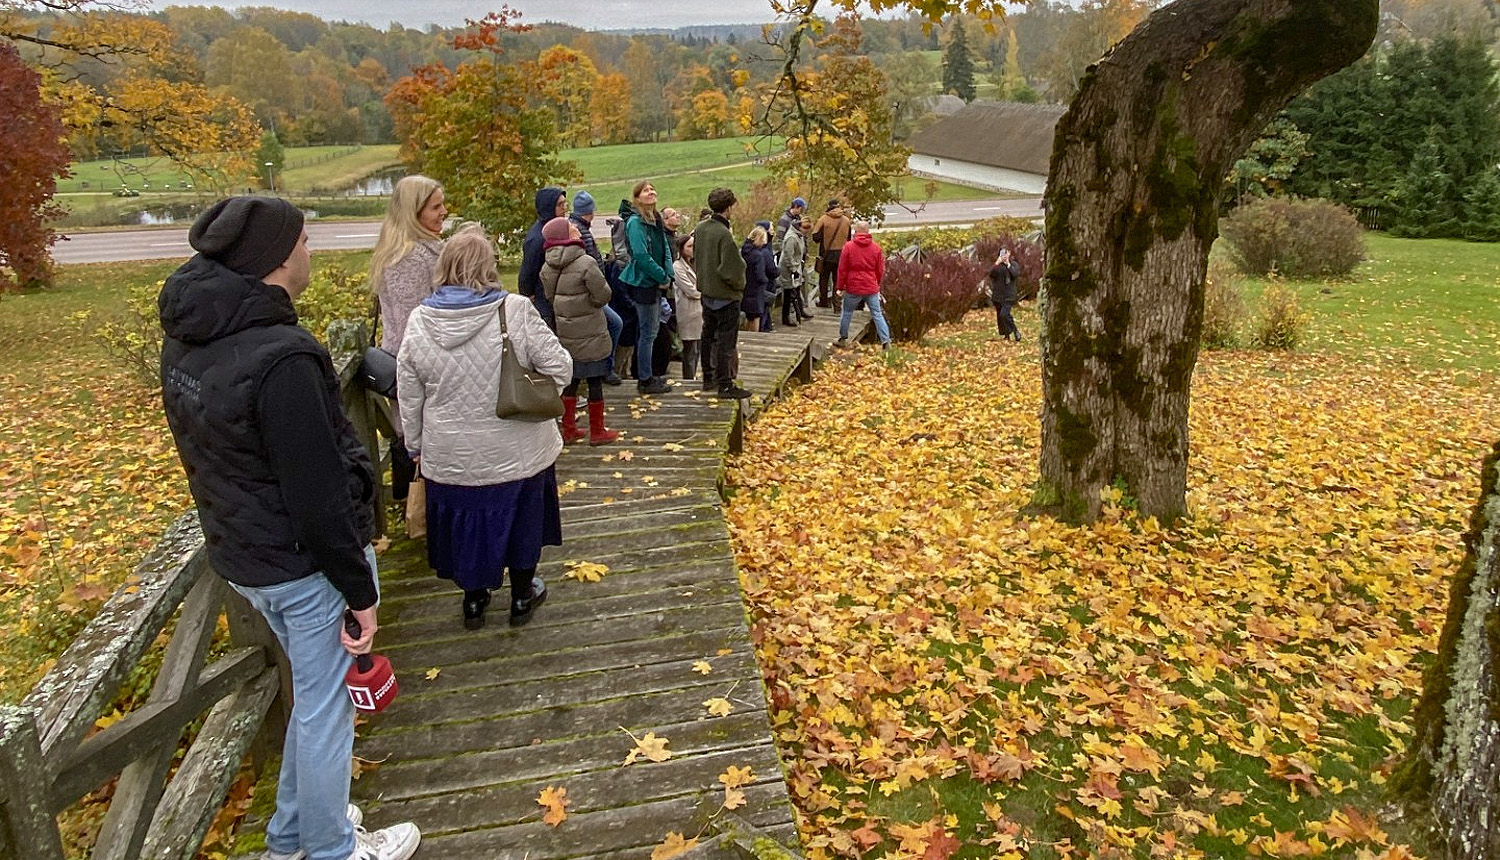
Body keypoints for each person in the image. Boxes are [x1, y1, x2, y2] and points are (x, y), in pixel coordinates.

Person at [159, 196, 421, 860]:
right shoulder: (282, 359)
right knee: (328, 710)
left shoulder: (193, 338)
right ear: (278, 258)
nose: (312, 251)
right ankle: (333, 849)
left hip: (248, 560)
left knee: (312, 699)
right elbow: (317, 495)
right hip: (304, 568)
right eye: (305, 240)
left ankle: (291, 838)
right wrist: (359, 590)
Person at [397, 226, 571, 630]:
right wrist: (539, 394)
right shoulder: (515, 310)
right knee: (523, 521)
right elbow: (560, 365)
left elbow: (409, 393)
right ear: (488, 266)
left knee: (467, 527)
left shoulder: (420, 320)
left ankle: (474, 601)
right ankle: (522, 596)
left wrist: (416, 446)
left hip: (450, 454)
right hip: (518, 448)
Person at [369, 175, 447, 503]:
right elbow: (412, 327)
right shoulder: (408, 258)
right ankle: (421, 515)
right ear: (414, 212)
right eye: (436, 206)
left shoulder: (421, 249)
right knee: (418, 450)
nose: (444, 212)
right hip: (418, 373)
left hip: (424, 371)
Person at [541, 217, 621, 446]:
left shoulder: (547, 266)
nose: (576, 228)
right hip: (591, 331)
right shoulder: (585, 262)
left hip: (567, 332)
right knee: (595, 380)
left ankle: (568, 428)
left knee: (572, 380)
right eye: (572, 228)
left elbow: (549, 296)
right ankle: (597, 431)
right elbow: (603, 295)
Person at [693, 187, 751, 400]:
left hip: (707, 292)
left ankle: (708, 377)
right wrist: (740, 284)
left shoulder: (700, 229)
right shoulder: (724, 234)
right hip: (725, 296)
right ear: (728, 208)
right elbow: (732, 270)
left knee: (707, 337)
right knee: (727, 342)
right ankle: (725, 384)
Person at [617, 181, 675, 395]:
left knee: (650, 329)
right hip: (643, 282)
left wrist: (668, 272)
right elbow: (641, 255)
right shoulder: (635, 222)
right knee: (648, 332)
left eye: (652, 189)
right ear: (637, 198)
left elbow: (665, 248)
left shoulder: (655, 218)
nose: (651, 192)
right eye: (645, 190)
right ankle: (645, 378)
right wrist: (660, 275)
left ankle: (648, 374)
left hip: (656, 280)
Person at [570, 190, 624, 385]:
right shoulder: (580, 231)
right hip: (590, 294)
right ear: (590, 211)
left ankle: (602, 368)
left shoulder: (579, 227)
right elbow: (587, 265)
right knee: (614, 324)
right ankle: (605, 368)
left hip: (591, 291)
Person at [834, 220, 893, 350]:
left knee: (847, 312)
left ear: (856, 231)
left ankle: (843, 338)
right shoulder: (876, 248)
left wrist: (840, 286)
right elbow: (880, 270)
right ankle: (886, 341)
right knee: (877, 313)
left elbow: (842, 269)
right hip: (871, 286)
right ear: (867, 231)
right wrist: (876, 283)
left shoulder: (848, 247)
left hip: (853, 286)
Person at [519, 187, 568, 329]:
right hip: (543, 300)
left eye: (565, 204)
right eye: (560, 205)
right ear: (548, 207)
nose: (564, 209)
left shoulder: (557, 230)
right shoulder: (538, 238)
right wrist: (527, 294)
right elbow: (527, 271)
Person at [810, 198, 851, 308]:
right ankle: (837, 304)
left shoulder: (823, 219)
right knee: (838, 281)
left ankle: (824, 302)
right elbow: (849, 239)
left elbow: (815, 237)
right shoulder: (846, 220)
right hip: (841, 255)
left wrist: (826, 234)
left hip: (826, 254)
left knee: (823, 279)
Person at [673, 233, 702, 380]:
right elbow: (690, 290)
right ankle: (688, 378)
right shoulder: (678, 266)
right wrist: (705, 292)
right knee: (690, 348)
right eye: (689, 246)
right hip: (688, 312)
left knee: (697, 349)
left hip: (699, 312)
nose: (692, 249)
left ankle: (693, 376)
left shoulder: (696, 263)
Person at [740, 224, 778, 333]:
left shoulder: (744, 252)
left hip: (746, 287)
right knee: (756, 316)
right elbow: (760, 275)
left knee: (748, 316)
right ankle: (754, 337)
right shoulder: (758, 255)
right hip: (757, 289)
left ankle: (746, 336)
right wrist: (765, 281)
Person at [778, 215, 813, 327]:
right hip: (788, 268)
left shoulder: (799, 235)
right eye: (806, 230)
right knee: (788, 292)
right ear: (801, 227)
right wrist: (793, 269)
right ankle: (786, 316)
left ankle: (800, 310)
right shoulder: (791, 238)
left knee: (797, 290)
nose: (806, 233)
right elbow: (788, 256)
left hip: (796, 266)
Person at [988, 247, 1022, 341]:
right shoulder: (997, 266)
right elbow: (990, 274)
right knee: (1000, 316)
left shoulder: (1013, 264)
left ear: (1009, 253)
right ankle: (1006, 334)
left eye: (1006, 253)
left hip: (1009, 294)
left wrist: (1008, 264)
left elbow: (1015, 274)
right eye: (1002, 253)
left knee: (1004, 314)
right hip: (998, 294)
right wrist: (997, 263)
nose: (1004, 256)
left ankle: (1015, 331)